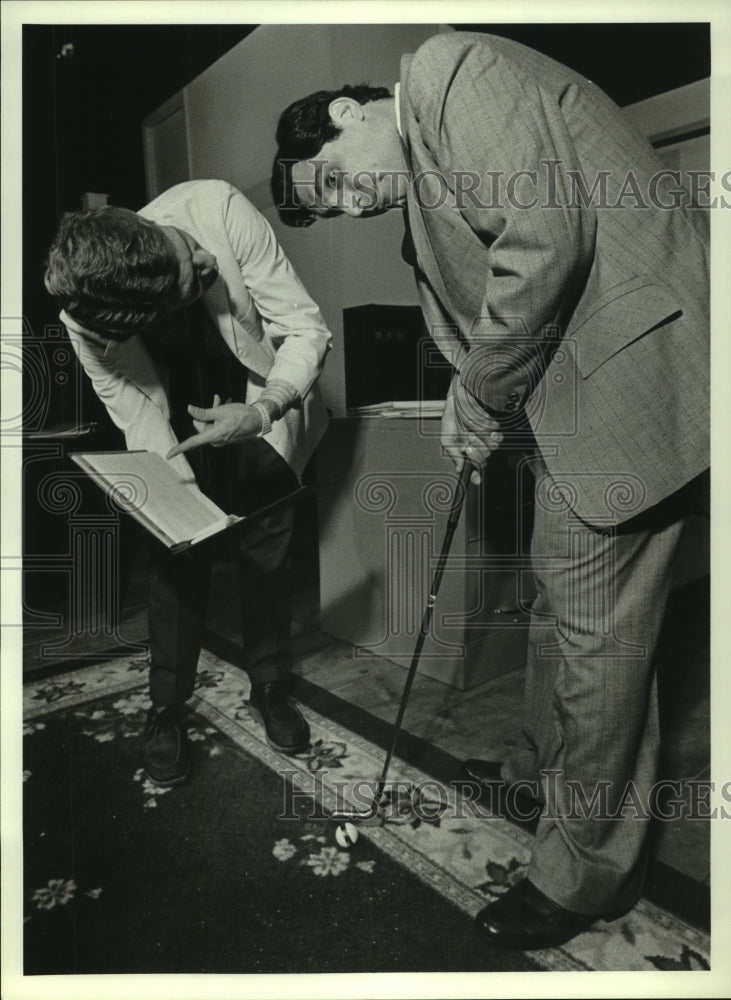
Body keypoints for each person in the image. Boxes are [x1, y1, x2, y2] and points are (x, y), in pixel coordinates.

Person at [270, 31, 710, 950]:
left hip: (629, 382)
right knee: (565, 615)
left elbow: (544, 235)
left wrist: (473, 397)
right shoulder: (423, 193)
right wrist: (480, 412)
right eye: (337, 208)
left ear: (348, 113)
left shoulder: (445, 71)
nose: (354, 200)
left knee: (590, 632)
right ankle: (553, 781)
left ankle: (581, 874)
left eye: (338, 178)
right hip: (574, 402)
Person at [45, 179, 332, 789]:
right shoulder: (89, 321)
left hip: (255, 398)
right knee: (174, 557)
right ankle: (166, 706)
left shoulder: (219, 210)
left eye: (189, 254)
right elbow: (135, 410)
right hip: (172, 416)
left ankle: (271, 685)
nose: (206, 263)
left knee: (268, 550)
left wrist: (264, 411)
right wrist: (176, 495)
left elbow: (304, 327)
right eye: (195, 283)